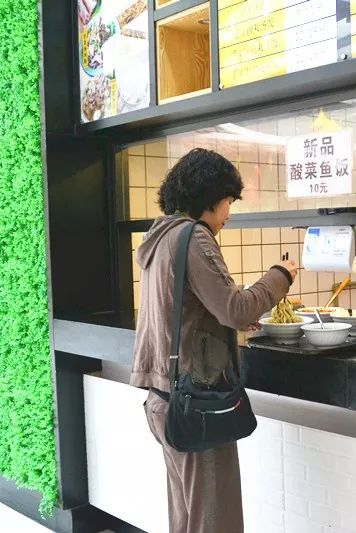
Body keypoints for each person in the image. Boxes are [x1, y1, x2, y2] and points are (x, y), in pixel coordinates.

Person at [131, 148, 298, 533]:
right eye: (228, 202)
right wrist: (281, 275)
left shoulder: (163, 237)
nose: (228, 213)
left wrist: (225, 323)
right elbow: (235, 309)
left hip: (164, 399)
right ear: (209, 198)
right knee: (214, 522)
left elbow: (189, 309)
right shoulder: (193, 237)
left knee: (188, 519)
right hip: (195, 401)